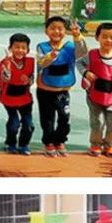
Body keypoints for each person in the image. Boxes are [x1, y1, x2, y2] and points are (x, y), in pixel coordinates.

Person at [77, 22, 112, 157]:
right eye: (104, 36)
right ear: (97, 38)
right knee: (97, 122)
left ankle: (110, 145)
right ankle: (95, 144)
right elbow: (79, 63)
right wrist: (85, 73)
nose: (108, 40)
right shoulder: (92, 55)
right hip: (94, 95)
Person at [36, 17, 86, 157]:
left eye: (60, 28)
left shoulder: (70, 46)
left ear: (65, 31)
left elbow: (82, 53)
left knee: (64, 118)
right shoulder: (42, 47)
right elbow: (41, 63)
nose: (56, 31)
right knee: (48, 119)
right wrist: (50, 57)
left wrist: (77, 36)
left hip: (63, 91)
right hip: (45, 90)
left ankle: (60, 140)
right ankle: (49, 142)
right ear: (46, 31)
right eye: (52, 28)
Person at [0, 33, 35, 154]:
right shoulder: (4, 64)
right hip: (9, 98)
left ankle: (24, 144)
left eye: (23, 48)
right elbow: (5, 79)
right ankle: (10, 142)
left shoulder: (30, 62)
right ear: (10, 48)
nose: (20, 50)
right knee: (14, 123)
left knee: (29, 124)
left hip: (25, 98)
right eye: (17, 47)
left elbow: (33, 78)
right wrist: (7, 67)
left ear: (28, 50)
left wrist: (29, 81)